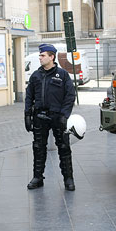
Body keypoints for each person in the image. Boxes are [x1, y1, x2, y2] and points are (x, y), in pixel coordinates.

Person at [24, 43, 77, 191]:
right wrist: (27, 115)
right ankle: (37, 177)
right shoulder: (36, 75)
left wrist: (64, 115)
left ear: (51, 57)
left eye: (43, 55)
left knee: (64, 147)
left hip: (57, 116)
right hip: (40, 116)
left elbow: (70, 95)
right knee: (38, 147)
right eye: (40, 55)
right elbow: (29, 97)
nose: (40, 58)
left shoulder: (63, 75)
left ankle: (68, 179)